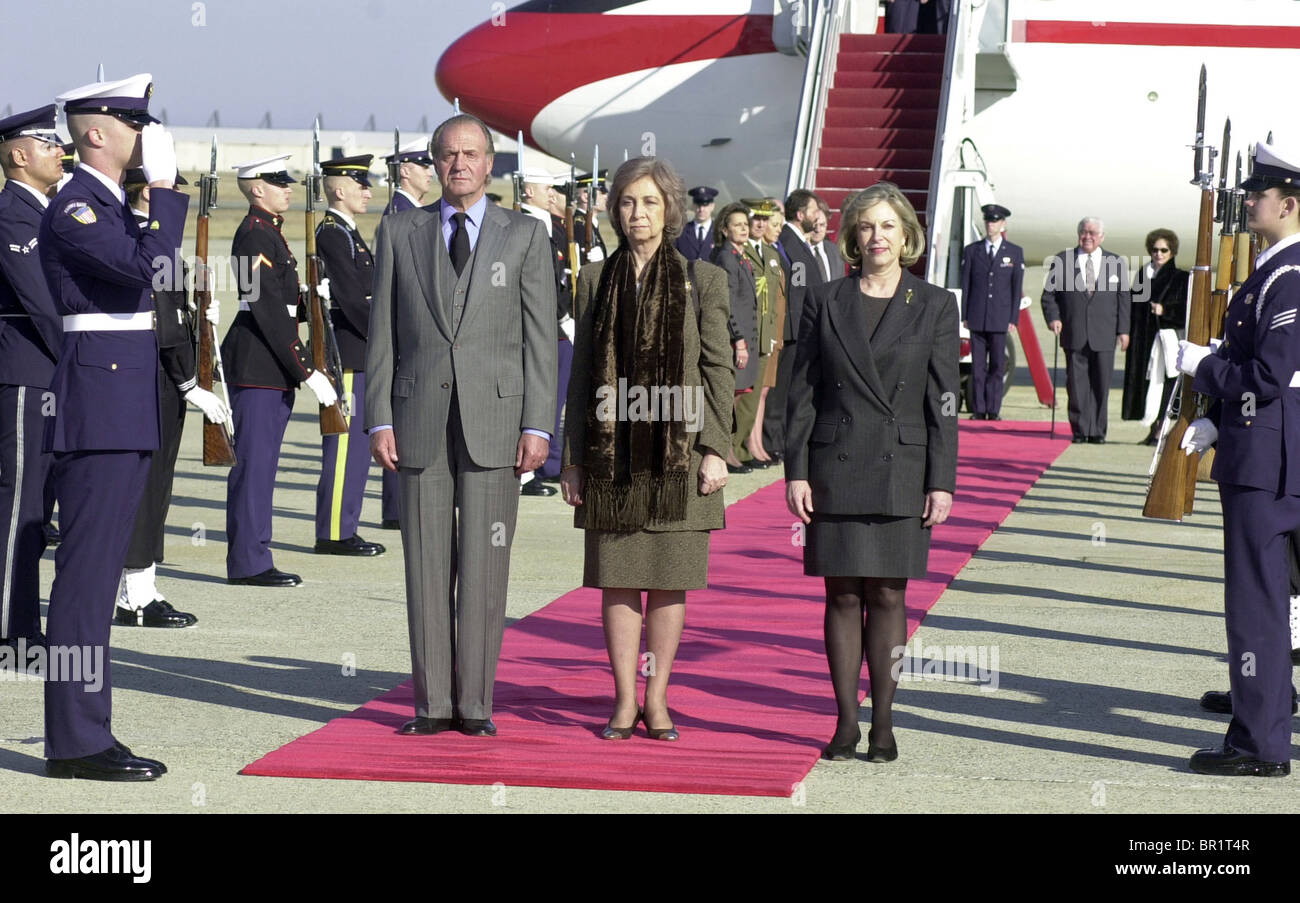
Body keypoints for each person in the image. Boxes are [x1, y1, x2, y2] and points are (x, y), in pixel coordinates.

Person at [366, 114, 557, 738]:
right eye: (448, 154)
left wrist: (539, 425)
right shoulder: (399, 231)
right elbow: (383, 338)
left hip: (497, 418)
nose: (460, 164)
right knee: (423, 559)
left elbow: (539, 342)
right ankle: (431, 704)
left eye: (471, 154)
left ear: (490, 161)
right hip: (417, 415)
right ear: (435, 160)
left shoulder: (524, 234)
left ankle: (474, 704)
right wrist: (378, 417)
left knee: (484, 561)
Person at [39, 73, 188, 781]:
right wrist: (164, 188)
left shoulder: (109, 204)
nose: (145, 134)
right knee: (86, 581)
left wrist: (154, 196)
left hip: (122, 406)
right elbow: (154, 269)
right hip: (99, 408)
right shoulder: (76, 206)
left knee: (99, 579)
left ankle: (89, 729)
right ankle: (74, 741)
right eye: (134, 123)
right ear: (96, 131)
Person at [560, 156, 733, 742]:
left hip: (679, 457)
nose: (639, 213)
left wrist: (716, 447)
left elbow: (717, 371)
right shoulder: (593, 281)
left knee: (667, 580)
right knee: (618, 579)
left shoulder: (704, 279)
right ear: (615, 210)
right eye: (629, 202)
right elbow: (581, 376)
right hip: (613, 459)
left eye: (651, 202)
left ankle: (657, 700)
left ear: (670, 211)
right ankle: (624, 699)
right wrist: (574, 459)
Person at [785, 181, 958, 763]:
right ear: (852, 238)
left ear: (906, 236)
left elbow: (944, 400)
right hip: (835, 464)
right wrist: (796, 470)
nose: (877, 237)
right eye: (866, 226)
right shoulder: (825, 299)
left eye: (887, 226)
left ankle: (883, 720)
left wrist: (942, 479)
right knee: (840, 595)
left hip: (900, 467)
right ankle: (845, 722)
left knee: (887, 593)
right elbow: (802, 390)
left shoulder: (934, 303)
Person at [1176, 141, 1300, 777]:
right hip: (1264, 451)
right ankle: (1262, 722)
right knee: (1269, 605)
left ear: (1290, 203)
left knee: (1257, 606)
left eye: (1260, 192)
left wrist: (1205, 368)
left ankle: (1259, 745)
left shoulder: (1289, 274)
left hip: (1270, 465)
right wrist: (1216, 420)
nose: (1249, 199)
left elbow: (1271, 374)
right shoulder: (1272, 270)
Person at [221, 154, 339, 587]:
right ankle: (249, 562)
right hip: (259, 364)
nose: (287, 187)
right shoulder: (253, 236)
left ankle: (256, 554)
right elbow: (266, 309)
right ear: (256, 189)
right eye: (276, 181)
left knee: (264, 466)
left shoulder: (271, 234)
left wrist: (313, 300)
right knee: (254, 467)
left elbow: (284, 304)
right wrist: (307, 369)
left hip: (272, 365)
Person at [115, 168, 224, 627]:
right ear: (147, 193)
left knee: (155, 485)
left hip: (160, 380)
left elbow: (173, 310)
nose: (179, 199)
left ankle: (140, 587)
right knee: (145, 486)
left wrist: (201, 315)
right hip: (152, 381)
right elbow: (162, 319)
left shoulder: (155, 241)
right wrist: (188, 382)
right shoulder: (140, 240)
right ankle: (134, 596)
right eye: (172, 190)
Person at [0, 104, 64, 653]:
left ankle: (23, 623)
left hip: (49, 371)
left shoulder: (45, 211)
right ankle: (9, 632)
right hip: (28, 370)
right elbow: (42, 305)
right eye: (49, 145)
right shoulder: (14, 215)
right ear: (20, 155)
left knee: (38, 510)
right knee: (21, 504)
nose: (60, 151)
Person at [312, 155, 387, 556]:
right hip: (349, 352)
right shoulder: (332, 235)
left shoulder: (349, 233)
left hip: (360, 352)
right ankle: (334, 533)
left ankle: (345, 526)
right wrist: (387, 337)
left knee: (356, 449)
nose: (368, 191)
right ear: (339, 190)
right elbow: (355, 302)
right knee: (343, 449)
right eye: (360, 184)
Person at [377, 140, 433, 528]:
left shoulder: (413, 212)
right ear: (405, 171)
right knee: (404, 420)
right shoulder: (401, 214)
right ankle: (398, 510)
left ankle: (400, 507)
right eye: (424, 165)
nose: (431, 171)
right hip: (405, 335)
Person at [1041, 216, 1131, 443]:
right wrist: (1054, 318)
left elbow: (1123, 299)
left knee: (1101, 384)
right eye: (1084, 232)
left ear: (1101, 237)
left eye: (1092, 233)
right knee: (1077, 384)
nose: (1087, 237)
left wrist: (1124, 330)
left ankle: (1097, 431)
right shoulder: (1063, 260)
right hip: (1074, 332)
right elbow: (1049, 296)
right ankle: (1080, 430)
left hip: (1105, 332)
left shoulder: (1115, 262)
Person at [518, 168, 571, 498]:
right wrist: (563, 316)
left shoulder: (547, 224)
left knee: (551, 399)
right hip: (539, 327)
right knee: (533, 399)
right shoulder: (525, 224)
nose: (553, 194)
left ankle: (539, 464)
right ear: (527, 192)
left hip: (556, 324)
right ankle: (525, 471)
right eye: (547, 188)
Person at [763, 188, 827, 458]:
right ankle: (772, 441)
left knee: (792, 386)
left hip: (802, 326)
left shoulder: (800, 242)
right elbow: (795, 290)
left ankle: (783, 437)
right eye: (814, 211)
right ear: (801, 214)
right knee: (780, 388)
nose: (818, 216)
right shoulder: (788, 240)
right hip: (793, 327)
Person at [960, 203, 1024, 420]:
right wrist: (965, 315)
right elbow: (966, 284)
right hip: (977, 317)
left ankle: (993, 409)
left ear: (1002, 224)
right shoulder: (972, 251)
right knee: (978, 366)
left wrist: (1013, 318)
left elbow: (1016, 290)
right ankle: (979, 409)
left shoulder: (1014, 252)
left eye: (995, 221)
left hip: (999, 318)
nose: (991, 225)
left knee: (997, 366)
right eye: (988, 221)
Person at [1122, 229, 1187, 444]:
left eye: (1163, 250)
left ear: (1172, 252)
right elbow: (1133, 306)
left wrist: (1165, 311)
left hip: (1166, 340)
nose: (1158, 254)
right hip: (1143, 339)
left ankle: (1162, 427)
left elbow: (1186, 311)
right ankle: (1152, 427)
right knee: (1146, 382)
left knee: (1165, 383)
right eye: (1154, 250)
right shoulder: (1143, 274)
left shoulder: (1181, 278)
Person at [709, 201, 759, 473]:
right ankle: (724, 451)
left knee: (738, 397)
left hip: (746, 339)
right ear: (725, 230)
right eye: (737, 225)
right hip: (734, 340)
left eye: (745, 225)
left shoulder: (741, 254)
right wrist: (738, 340)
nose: (744, 229)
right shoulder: (726, 257)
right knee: (727, 399)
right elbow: (725, 301)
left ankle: (729, 449)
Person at [741, 198, 786, 465]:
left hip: (768, 332)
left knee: (760, 393)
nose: (761, 224)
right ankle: (744, 445)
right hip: (750, 334)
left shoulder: (769, 254)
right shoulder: (743, 252)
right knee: (747, 394)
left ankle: (754, 443)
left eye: (765, 219)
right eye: (756, 219)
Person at [383, 137, 433, 216]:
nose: (430, 174)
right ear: (405, 172)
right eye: (424, 168)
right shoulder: (401, 212)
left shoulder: (409, 207)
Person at [674, 185, 717, 261]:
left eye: (705, 205)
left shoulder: (719, 232)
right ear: (693, 206)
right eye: (698, 205)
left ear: (712, 206)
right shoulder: (681, 232)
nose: (701, 209)